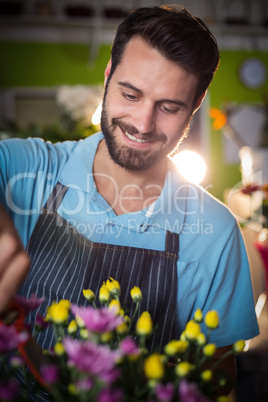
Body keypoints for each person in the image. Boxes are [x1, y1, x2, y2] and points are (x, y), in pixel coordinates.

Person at [0, 4, 258, 389]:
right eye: (131, 94)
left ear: (195, 106)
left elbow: (217, 379)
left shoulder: (216, 235)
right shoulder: (25, 168)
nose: (143, 123)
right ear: (108, 76)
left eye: (169, 107)